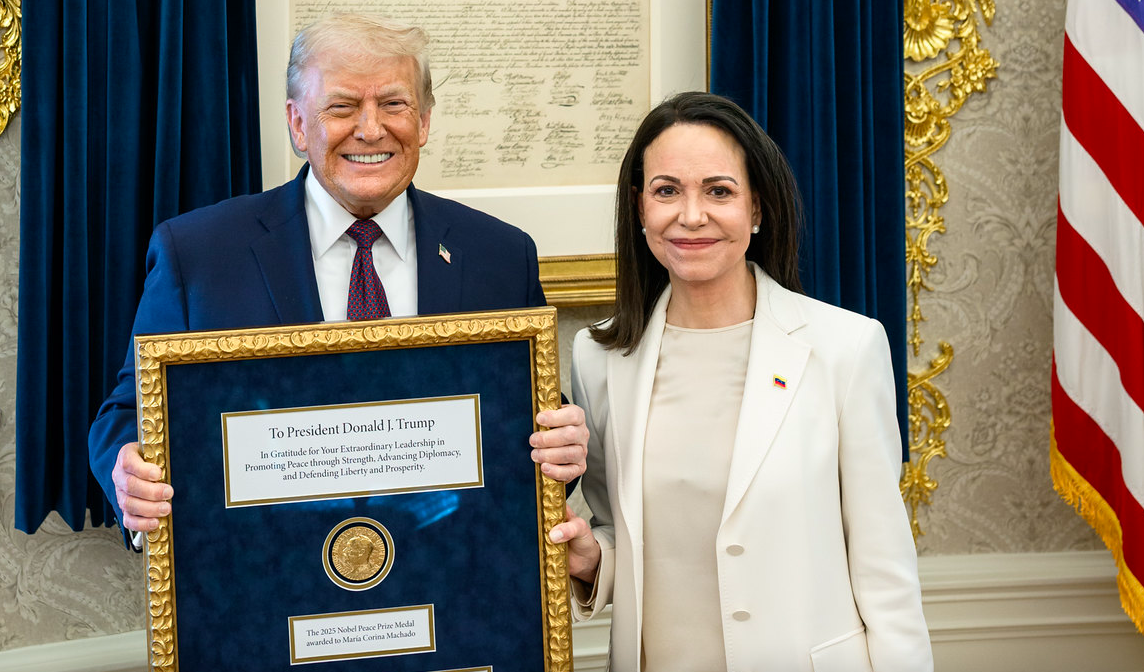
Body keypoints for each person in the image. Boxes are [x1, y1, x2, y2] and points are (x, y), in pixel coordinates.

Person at [88, 14, 588, 542]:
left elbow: (531, 421)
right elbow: (127, 414)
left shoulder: (500, 255)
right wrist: (128, 473)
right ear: (298, 124)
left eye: (393, 104)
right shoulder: (199, 255)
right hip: (264, 577)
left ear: (423, 120)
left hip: (450, 574)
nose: (371, 129)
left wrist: (565, 449)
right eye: (342, 107)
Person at [546, 92, 932, 671]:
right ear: (640, 208)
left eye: (719, 191)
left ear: (756, 209)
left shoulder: (845, 349)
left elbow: (885, 568)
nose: (691, 215)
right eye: (667, 190)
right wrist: (590, 558)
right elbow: (620, 531)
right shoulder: (600, 357)